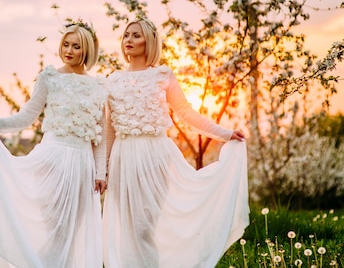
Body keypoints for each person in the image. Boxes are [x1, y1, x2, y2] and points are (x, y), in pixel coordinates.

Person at [102, 17, 249, 268]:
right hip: (122, 159)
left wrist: (224, 133)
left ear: (149, 41)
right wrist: (102, 169)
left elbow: (186, 113)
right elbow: (109, 129)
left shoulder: (162, 75)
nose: (129, 40)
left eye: (136, 35)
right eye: (127, 35)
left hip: (155, 156)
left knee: (143, 229)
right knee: (127, 232)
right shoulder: (113, 80)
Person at [0, 21, 107, 268]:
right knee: (54, 226)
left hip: (82, 164)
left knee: (72, 231)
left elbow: (101, 135)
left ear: (87, 50)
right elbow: (28, 115)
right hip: (53, 159)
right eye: (66, 44)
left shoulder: (98, 86)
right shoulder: (49, 77)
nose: (69, 50)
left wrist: (100, 171)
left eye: (76, 46)